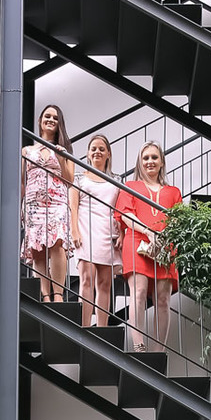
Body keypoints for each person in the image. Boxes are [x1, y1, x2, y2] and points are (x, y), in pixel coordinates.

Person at [115, 143, 182, 353]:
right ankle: (139, 345)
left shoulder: (173, 191)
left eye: (154, 157)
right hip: (136, 241)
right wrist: (149, 232)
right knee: (139, 292)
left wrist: (163, 237)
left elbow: (178, 220)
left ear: (162, 162)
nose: (150, 162)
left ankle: (158, 350)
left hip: (165, 245)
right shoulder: (131, 186)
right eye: (145, 158)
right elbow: (126, 214)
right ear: (140, 162)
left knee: (163, 299)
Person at [22, 104, 75, 303]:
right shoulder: (27, 150)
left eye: (55, 117)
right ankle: (45, 295)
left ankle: (59, 294)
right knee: (37, 249)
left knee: (57, 244)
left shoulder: (65, 150)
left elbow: (69, 180)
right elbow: (22, 181)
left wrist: (61, 158)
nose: (51, 120)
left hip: (57, 202)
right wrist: (22, 206)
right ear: (40, 121)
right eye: (47, 116)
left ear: (59, 123)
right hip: (34, 202)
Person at [69, 133, 122, 327]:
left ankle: (101, 329)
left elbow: (120, 210)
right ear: (88, 154)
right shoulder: (79, 180)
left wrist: (122, 234)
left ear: (108, 153)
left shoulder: (117, 180)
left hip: (108, 232)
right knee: (86, 279)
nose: (97, 151)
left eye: (102, 149)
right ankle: (83, 327)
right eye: (94, 149)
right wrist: (74, 231)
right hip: (86, 231)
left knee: (105, 284)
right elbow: (73, 207)